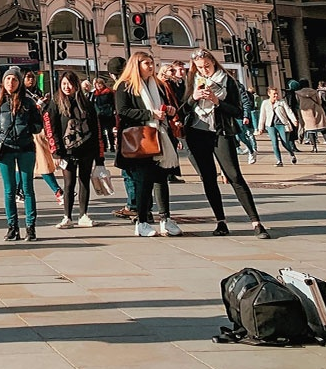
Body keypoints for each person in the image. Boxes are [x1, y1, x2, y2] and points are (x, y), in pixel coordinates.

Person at [183, 49, 270, 238]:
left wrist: (216, 101)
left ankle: (256, 222)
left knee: (234, 175)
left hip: (221, 131)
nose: (204, 70)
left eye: (207, 65)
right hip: (197, 132)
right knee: (208, 177)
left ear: (213, 62)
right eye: (200, 67)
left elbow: (238, 111)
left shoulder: (227, 80)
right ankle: (220, 221)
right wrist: (194, 98)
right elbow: (183, 108)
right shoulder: (191, 80)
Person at [113, 52, 181, 238]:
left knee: (161, 179)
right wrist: (149, 114)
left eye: (152, 63)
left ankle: (165, 219)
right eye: (147, 63)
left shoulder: (156, 85)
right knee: (143, 182)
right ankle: (141, 221)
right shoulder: (125, 86)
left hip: (159, 136)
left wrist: (169, 110)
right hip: (140, 140)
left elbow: (163, 106)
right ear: (137, 65)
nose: (151, 67)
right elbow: (123, 111)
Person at [0, 68, 43, 241]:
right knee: (9, 190)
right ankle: (12, 227)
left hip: (25, 148)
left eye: (14, 80)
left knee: (28, 188)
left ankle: (30, 228)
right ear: (3, 81)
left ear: (19, 82)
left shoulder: (28, 102)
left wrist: (28, 128)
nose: (11, 83)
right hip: (5, 148)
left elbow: (38, 124)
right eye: (8, 79)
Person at [44, 70, 104, 229]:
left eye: (69, 83)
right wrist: (56, 152)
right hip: (67, 152)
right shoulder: (56, 103)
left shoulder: (87, 103)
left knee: (84, 181)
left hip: (86, 149)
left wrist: (100, 157)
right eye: (64, 84)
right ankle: (67, 217)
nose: (67, 87)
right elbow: (51, 128)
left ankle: (83, 215)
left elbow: (96, 128)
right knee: (69, 183)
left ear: (76, 84)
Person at [255, 86, 299, 166]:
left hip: (282, 124)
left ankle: (292, 154)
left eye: (277, 94)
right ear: (269, 94)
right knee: (274, 143)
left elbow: (289, 111)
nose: (276, 96)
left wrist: (294, 120)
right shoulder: (265, 103)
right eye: (274, 94)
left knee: (285, 142)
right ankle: (279, 161)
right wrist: (260, 128)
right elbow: (262, 116)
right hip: (271, 125)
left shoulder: (281, 102)